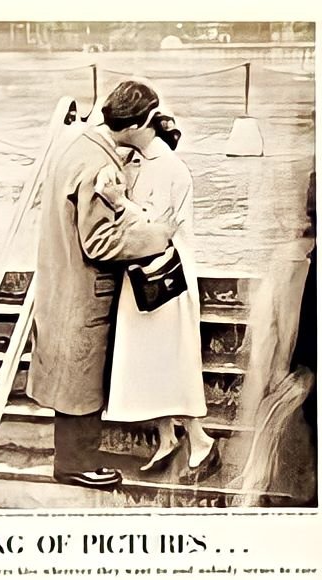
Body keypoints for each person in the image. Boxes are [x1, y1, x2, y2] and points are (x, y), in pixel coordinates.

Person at [27, 80, 178, 490]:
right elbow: (99, 242)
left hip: (61, 277)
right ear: (137, 125)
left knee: (71, 374)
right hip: (84, 288)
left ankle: (72, 459)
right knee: (81, 378)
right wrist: (157, 237)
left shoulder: (77, 144)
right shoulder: (100, 166)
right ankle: (76, 464)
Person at [103, 100, 220, 485]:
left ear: (140, 126)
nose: (114, 133)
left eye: (120, 126)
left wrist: (121, 203)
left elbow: (162, 228)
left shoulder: (171, 169)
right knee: (149, 359)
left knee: (172, 359)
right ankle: (167, 437)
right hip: (141, 273)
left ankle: (201, 440)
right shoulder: (136, 163)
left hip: (166, 275)